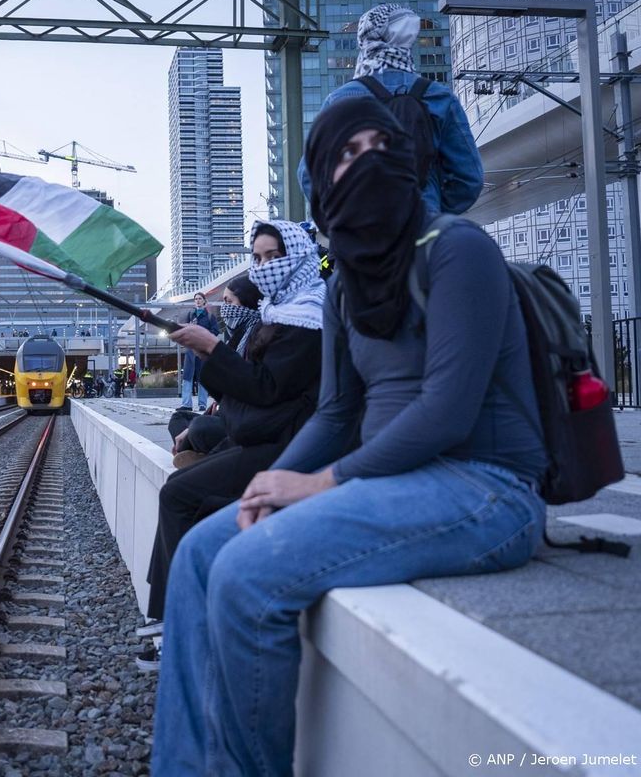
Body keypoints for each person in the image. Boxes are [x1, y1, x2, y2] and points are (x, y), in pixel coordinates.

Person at [152, 97, 548, 776]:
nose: (367, 162)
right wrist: (267, 483)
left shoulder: (458, 249)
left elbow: (447, 411)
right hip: (390, 480)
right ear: (321, 182)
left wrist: (320, 482)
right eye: (346, 153)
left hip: (485, 488)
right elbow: (336, 414)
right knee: (198, 555)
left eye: (379, 147)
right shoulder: (345, 285)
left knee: (246, 575)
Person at [139, 221, 325, 671]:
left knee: (179, 495)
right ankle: (169, 615)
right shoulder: (282, 310)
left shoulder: (309, 317)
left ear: (299, 258)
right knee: (185, 491)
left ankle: (177, 623)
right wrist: (211, 353)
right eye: (256, 258)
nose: (263, 267)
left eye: (272, 257)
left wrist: (212, 349)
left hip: (284, 448)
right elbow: (250, 388)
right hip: (259, 435)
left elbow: (265, 388)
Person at [297, 3, 483, 216]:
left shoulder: (340, 100)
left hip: (361, 226)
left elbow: (308, 174)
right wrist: (433, 210)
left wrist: (343, 215)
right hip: (423, 224)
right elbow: (469, 179)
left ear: (365, 38)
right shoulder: (439, 97)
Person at [167, 275, 263, 465]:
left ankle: (200, 454)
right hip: (224, 412)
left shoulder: (257, 335)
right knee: (179, 418)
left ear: (246, 301)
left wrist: (209, 346)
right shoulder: (234, 336)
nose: (225, 308)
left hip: (242, 420)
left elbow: (242, 390)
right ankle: (199, 452)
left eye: (229, 302)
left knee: (199, 428)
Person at [179, 292, 219, 411]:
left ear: (204, 301)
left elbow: (215, 331)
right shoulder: (190, 315)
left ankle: (202, 404)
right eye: (196, 299)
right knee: (187, 376)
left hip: (202, 350)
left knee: (202, 376)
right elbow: (183, 330)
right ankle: (186, 404)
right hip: (191, 350)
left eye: (200, 299)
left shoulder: (210, 317)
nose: (197, 301)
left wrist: (203, 334)